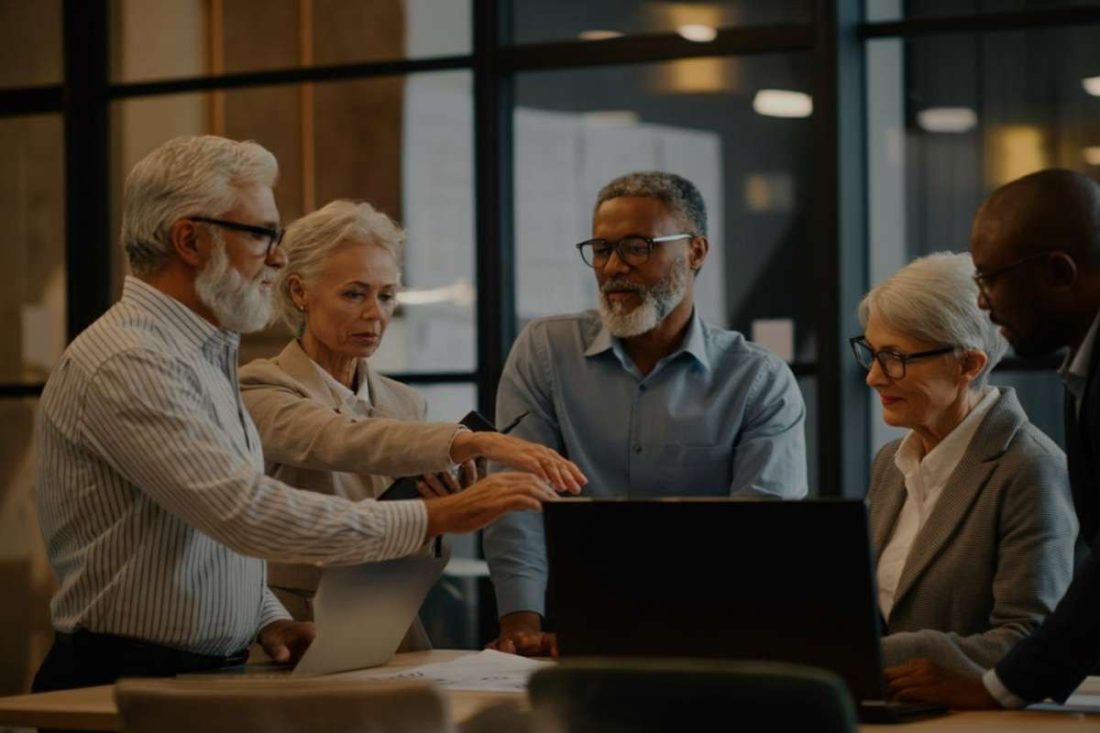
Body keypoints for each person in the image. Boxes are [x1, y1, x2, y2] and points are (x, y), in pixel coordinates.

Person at [32, 135, 579, 696]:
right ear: (190, 240)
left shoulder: (200, 354)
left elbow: (210, 539)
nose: (277, 256)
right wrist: (439, 512)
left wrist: (267, 618)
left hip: (208, 669)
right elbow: (245, 512)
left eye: (386, 295)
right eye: (262, 234)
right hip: (129, 674)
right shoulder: (134, 360)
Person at [483, 171, 808, 656]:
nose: (614, 267)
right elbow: (517, 498)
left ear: (695, 252)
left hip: (714, 638)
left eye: (637, 248)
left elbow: (763, 541)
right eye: (601, 249)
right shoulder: (547, 351)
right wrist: (521, 626)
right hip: (568, 635)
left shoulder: (758, 380)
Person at [239, 199, 584, 629]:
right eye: (354, 294)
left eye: (386, 296)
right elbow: (339, 438)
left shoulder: (405, 403)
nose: (375, 314)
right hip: (295, 626)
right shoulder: (258, 387)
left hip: (390, 623)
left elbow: (421, 558)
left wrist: (439, 512)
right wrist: (475, 441)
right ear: (298, 292)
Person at [886, 169, 1100, 708]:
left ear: (1059, 272)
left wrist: (994, 688)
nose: (983, 302)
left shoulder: (1030, 462)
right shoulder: (1081, 375)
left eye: (990, 279)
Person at [855, 252, 1075, 675]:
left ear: (968, 365)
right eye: (872, 353)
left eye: (895, 358)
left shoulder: (1031, 468)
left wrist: (867, 655)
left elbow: (1028, 639)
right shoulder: (889, 463)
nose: (874, 377)